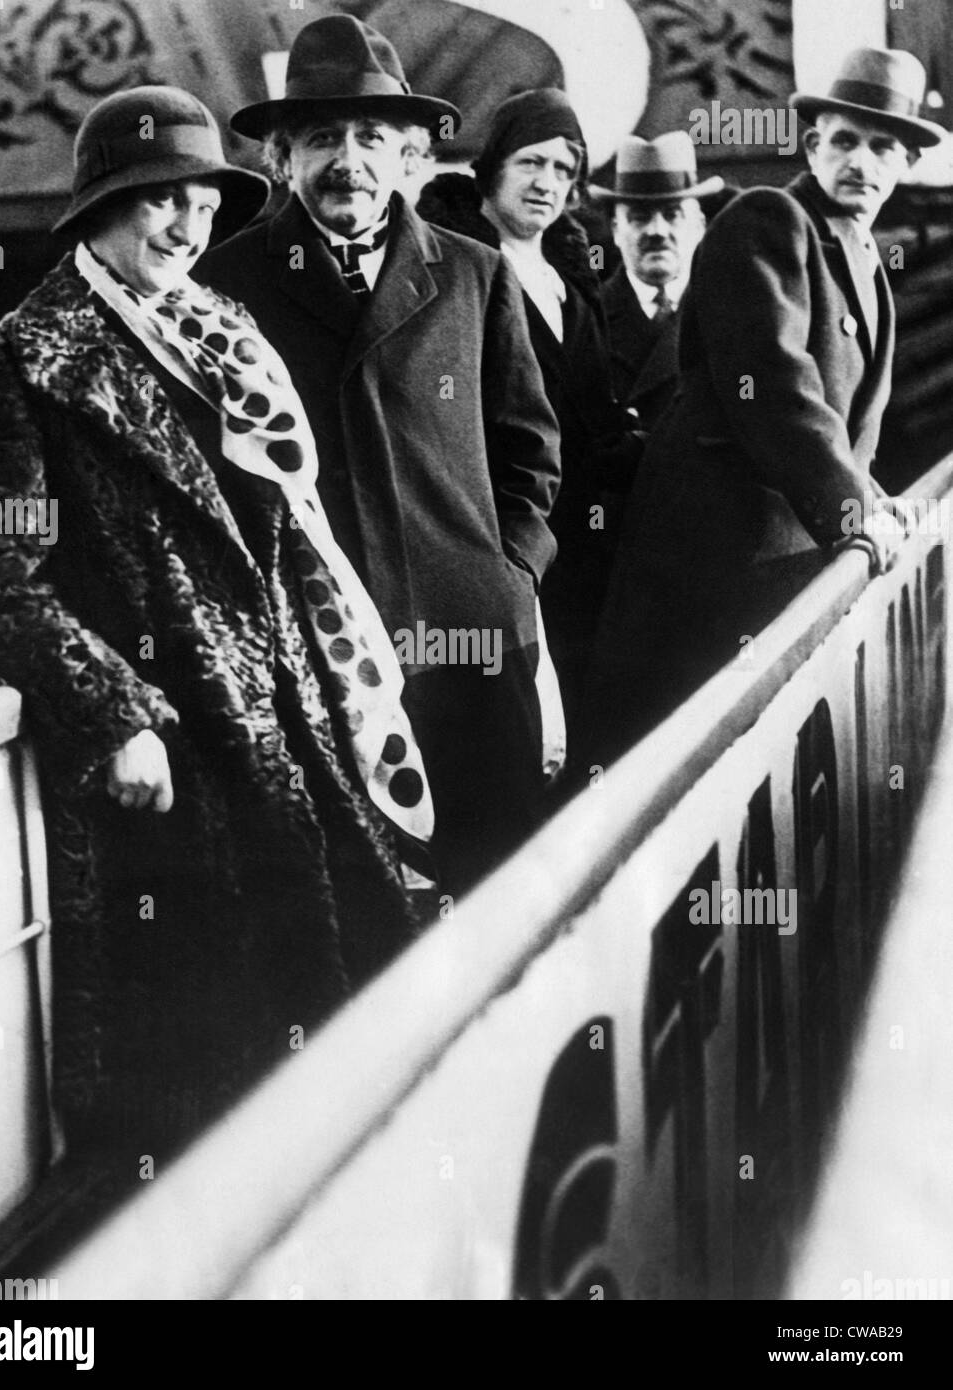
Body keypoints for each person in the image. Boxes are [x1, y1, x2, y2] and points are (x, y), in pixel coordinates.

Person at [0, 86, 433, 1159]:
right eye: (157, 201)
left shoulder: (226, 332)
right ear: (97, 212)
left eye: (203, 202)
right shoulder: (21, 357)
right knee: (212, 1086)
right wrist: (117, 709)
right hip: (177, 767)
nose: (186, 224)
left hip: (299, 731)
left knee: (348, 1052)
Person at [200, 17, 563, 896]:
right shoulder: (227, 283)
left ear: (409, 158)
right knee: (360, 915)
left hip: (475, 640)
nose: (348, 161)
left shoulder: (476, 274)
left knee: (500, 898)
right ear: (282, 161)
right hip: (323, 649)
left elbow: (531, 448)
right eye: (322, 138)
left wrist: (514, 569)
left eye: (372, 137)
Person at [582, 48, 943, 768]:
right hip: (712, 560)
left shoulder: (863, 256)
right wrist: (852, 513)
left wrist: (874, 496)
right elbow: (775, 385)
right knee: (670, 772)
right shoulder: (769, 217)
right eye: (844, 140)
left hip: (777, 562)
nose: (862, 163)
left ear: (903, 164)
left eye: (883, 148)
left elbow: (836, 418)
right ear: (813, 144)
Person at [416, 87, 632, 734]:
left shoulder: (573, 276)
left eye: (565, 170)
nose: (548, 183)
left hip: (586, 542)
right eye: (531, 163)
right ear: (492, 168)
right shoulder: (450, 266)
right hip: (501, 542)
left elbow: (596, 417)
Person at [596, 132, 723, 432]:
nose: (657, 230)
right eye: (639, 217)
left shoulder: (729, 315)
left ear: (700, 227)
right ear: (616, 230)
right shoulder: (587, 317)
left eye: (672, 215)